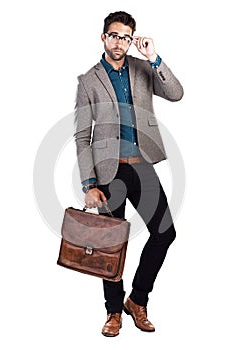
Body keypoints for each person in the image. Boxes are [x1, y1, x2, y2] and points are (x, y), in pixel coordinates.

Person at [74, 11, 183, 337]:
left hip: (142, 165)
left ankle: (137, 300)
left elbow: (176, 93)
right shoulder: (88, 81)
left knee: (165, 233)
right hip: (109, 174)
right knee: (110, 246)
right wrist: (89, 184)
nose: (119, 41)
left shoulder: (141, 69)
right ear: (103, 37)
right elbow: (82, 136)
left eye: (125, 36)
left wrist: (154, 57)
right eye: (113, 35)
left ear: (130, 39)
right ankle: (112, 311)